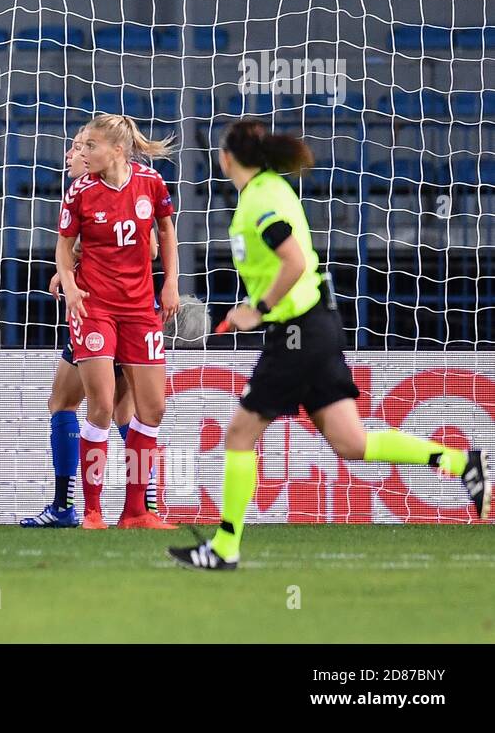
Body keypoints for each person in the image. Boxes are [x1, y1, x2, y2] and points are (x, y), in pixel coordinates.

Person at [169, 119, 490, 571]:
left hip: (297, 332)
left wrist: (257, 309)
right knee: (351, 442)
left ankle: (224, 548)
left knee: (239, 436)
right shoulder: (273, 189)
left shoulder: (259, 199)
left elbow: (294, 262)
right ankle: (459, 462)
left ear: (225, 159)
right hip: (316, 325)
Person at [21, 125, 162, 528]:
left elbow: (146, 246)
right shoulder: (86, 194)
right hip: (108, 308)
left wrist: (77, 272)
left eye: (80, 147)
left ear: (101, 155)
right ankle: (142, 504)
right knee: (113, 408)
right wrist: (71, 271)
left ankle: (75, 506)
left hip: (110, 310)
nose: (71, 153)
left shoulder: (113, 187)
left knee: (84, 404)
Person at [56, 113, 180, 530]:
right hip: (95, 309)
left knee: (154, 410)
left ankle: (136, 511)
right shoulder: (79, 192)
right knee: (102, 406)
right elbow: (63, 244)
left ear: (117, 151)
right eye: (82, 146)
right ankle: (92, 510)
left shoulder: (150, 184)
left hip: (141, 309)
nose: (81, 152)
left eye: (90, 146)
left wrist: (171, 285)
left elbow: (166, 232)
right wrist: (71, 285)